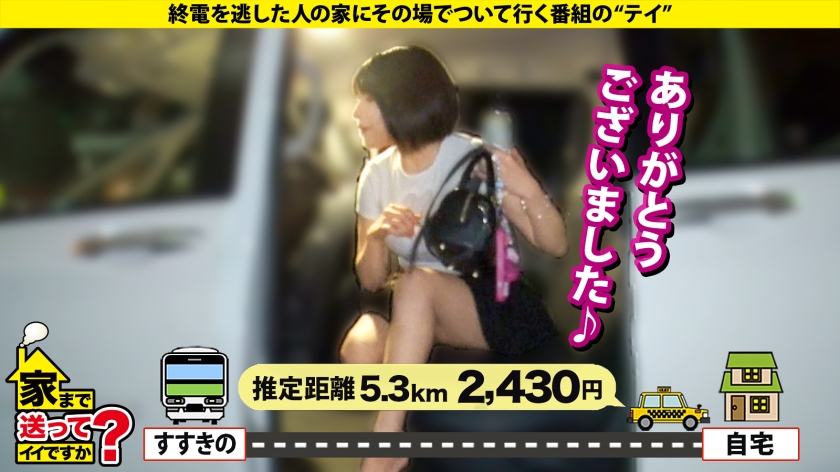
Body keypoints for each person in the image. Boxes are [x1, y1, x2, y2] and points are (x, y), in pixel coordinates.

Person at [340, 45, 569, 472]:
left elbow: (554, 243)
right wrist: (377, 236)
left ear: (403, 101)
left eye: (368, 100)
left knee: (415, 283)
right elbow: (370, 280)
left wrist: (527, 187)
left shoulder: (472, 157)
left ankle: (384, 447)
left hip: (490, 307)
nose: (357, 113)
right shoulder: (375, 175)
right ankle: (415, 436)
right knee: (360, 347)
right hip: (418, 311)